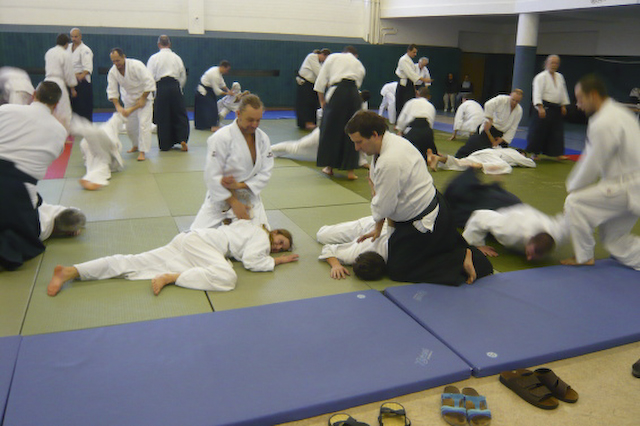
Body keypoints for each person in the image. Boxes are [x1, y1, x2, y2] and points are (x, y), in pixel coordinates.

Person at [346, 110, 493, 285]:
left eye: (359, 142)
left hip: (425, 224)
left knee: (399, 270)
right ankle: (457, 251)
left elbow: (384, 206)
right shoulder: (392, 142)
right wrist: (378, 228)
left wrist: (375, 201)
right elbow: (385, 203)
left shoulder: (390, 161)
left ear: (374, 134)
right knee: (401, 255)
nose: (356, 148)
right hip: (431, 210)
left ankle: (461, 259)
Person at [46, 220, 298, 297]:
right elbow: (252, 261)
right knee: (228, 278)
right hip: (202, 245)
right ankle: (173, 277)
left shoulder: (250, 226)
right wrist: (278, 261)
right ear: (274, 231)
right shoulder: (261, 236)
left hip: (191, 241)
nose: (276, 247)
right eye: (279, 241)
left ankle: (72, 271)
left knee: (134, 262)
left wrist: (271, 256)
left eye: (280, 249)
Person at [561, 74, 640, 269]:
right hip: (631, 185)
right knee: (613, 238)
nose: (578, 105)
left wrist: (572, 187)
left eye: (580, 99)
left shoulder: (604, 121)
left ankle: (584, 256)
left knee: (575, 202)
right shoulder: (620, 113)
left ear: (593, 95)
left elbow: (592, 162)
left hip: (626, 186)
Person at [0, 82, 67, 270]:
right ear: (56, 104)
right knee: (29, 227)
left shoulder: (6, 110)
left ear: (34, 94)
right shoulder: (60, 132)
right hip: (17, 195)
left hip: (13, 187)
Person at [191, 94, 274, 230]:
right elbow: (212, 176)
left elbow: (266, 172)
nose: (254, 125)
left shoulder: (263, 139)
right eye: (250, 120)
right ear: (238, 114)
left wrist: (240, 185)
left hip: (249, 197)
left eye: (258, 120)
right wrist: (234, 202)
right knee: (196, 237)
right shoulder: (221, 138)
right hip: (221, 198)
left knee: (261, 237)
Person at [314, 45, 365, 180]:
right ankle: (350, 171)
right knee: (353, 130)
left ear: (344, 52)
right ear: (354, 55)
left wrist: (322, 101)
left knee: (331, 130)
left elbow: (320, 82)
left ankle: (329, 167)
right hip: (354, 95)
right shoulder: (358, 63)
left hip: (337, 93)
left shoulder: (333, 57)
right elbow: (358, 83)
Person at [463, 204, 567, 261]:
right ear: (530, 239)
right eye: (529, 253)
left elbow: (568, 220)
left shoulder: (557, 235)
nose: (529, 259)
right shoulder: (511, 232)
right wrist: (476, 244)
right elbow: (479, 216)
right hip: (500, 207)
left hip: (524, 212)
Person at [106, 48, 156, 161]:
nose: (116, 63)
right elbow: (112, 90)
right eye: (113, 61)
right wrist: (118, 106)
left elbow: (149, 81)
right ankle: (135, 145)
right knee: (130, 127)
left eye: (118, 60)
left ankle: (142, 151)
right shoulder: (113, 72)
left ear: (123, 57)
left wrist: (143, 98)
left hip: (144, 96)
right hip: (129, 99)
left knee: (143, 125)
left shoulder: (136, 65)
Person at [146, 35, 189, 152]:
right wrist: (178, 87)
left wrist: (154, 93)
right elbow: (183, 76)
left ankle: (165, 144)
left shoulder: (154, 58)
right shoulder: (177, 58)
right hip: (175, 86)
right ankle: (182, 139)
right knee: (179, 114)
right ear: (169, 44)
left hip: (161, 87)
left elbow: (149, 76)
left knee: (163, 116)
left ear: (159, 44)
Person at [455, 89, 524, 158]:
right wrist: (489, 119)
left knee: (500, 155)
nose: (514, 102)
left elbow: (513, 128)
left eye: (517, 101)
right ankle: (459, 157)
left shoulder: (519, 111)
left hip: (501, 135)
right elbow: (488, 105)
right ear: (510, 96)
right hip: (490, 128)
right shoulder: (501, 99)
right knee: (473, 145)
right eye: (513, 100)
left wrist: (502, 139)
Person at [316, 216, 390, 280]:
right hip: (372, 224)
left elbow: (328, 250)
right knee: (322, 236)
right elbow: (328, 249)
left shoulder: (391, 260)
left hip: (384, 229)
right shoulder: (353, 254)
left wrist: (336, 265)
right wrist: (335, 265)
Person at [526, 55, 571, 160]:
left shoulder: (560, 76)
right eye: (552, 63)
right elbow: (537, 92)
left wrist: (563, 105)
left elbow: (563, 91)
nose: (554, 65)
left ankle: (558, 153)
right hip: (544, 107)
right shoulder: (540, 77)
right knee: (539, 131)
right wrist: (540, 107)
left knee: (557, 131)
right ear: (546, 63)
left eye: (556, 63)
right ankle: (535, 154)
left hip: (556, 107)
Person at [70, 113, 125, 190]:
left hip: (91, 142)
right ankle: (91, 178)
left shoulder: (109, 125)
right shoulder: (110, 127)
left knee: (97, 160)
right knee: (103, 161)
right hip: (101, 143)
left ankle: (89, 178)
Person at [44, 33, 78, 130]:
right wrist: (72, 88)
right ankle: (64, 131)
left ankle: (48, 129)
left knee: (48, 107)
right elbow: (69, 73)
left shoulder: (49, 52)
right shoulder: (65, 54)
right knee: (64, 110)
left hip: (47, 82)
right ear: (66, 44)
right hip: (58, 83)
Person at [395, 86, 437, 161]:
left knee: (407, 153)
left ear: (417, 94)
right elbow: (430, 125)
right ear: (429, 97)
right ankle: (429, 155)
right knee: (424, 153)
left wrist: (400, 130)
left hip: (413, 131)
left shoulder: (411, 102)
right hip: (427, 132)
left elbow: (402, 119)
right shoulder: (431, 106)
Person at [427, 146, 535, 175]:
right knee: (506, 167)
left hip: (481, 153)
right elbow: (531, 163)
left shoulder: (503, 149)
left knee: (460, 163)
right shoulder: (515, 154)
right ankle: (481, 166)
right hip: (492, 157)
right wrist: (527, 158)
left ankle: (438, 158)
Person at [295, 48, 330, 130]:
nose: (325, 61)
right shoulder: (312, 57)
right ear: (323, 55)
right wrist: (329, 84)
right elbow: (320, 73)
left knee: (313, 103)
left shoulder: (320, 63)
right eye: (325, 58)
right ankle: (306, 123)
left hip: (312, 85)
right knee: (306, 104)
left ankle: (312, 122)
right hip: (305, 84)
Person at [194, 60, 232, 132]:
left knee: (213, 107)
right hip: (203, 91)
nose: (227, 72)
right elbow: (217, 91)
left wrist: (228, 90)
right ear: (223, 67)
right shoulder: (214, 74)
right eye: (226, 70)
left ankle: (212, 125)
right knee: (210, 108)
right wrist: (228, 94)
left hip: (209, 90)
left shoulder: (218, 71)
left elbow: (222, 83)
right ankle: (209, 126)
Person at [394, 44, 430, 118]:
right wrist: (423, 79)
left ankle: (408, 120)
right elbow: (410, 73)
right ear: (408, 51)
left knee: (410, 104)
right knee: (402, 104)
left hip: (409, 84)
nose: (415, 54)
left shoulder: (409, 60)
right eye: (414, 52)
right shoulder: (404, 60)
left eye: (416, 52)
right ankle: (399, 121)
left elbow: (412, 76)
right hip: (404, 84)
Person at [68, 28, 93, 121]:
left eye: (76, 37)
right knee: (72, 110)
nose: (73, 39)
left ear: (80, 36)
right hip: (69, 82)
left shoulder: (85, 50)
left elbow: (87, 69)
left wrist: (79, 77)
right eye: (72, 37)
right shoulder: (67, 48)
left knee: (83, 110)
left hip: (82, 83)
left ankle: (86, 128)